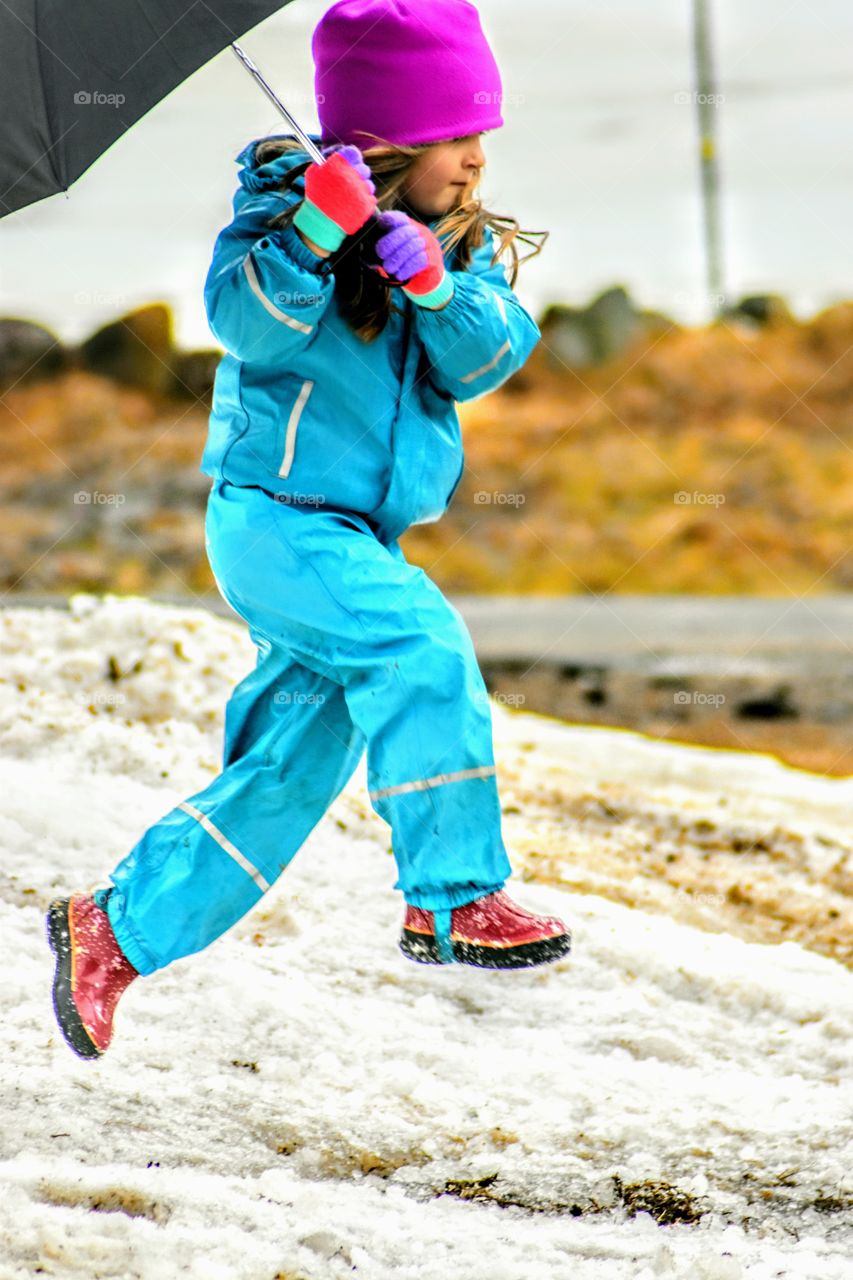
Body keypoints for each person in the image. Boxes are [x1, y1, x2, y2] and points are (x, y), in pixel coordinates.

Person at [46, 0, 571, 1062]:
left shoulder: (456, 249)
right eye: (456, 138)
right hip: (277, 526)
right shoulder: (280, 225)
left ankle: (116, 928)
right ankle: (452, 895)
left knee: (293, 763)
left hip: (359, 541)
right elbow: (244, 324)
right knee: (419, 644)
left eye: (482, 139)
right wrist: (314, 234)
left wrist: (430, 283)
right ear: (384, 142)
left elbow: (487, 356)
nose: (475, 161)